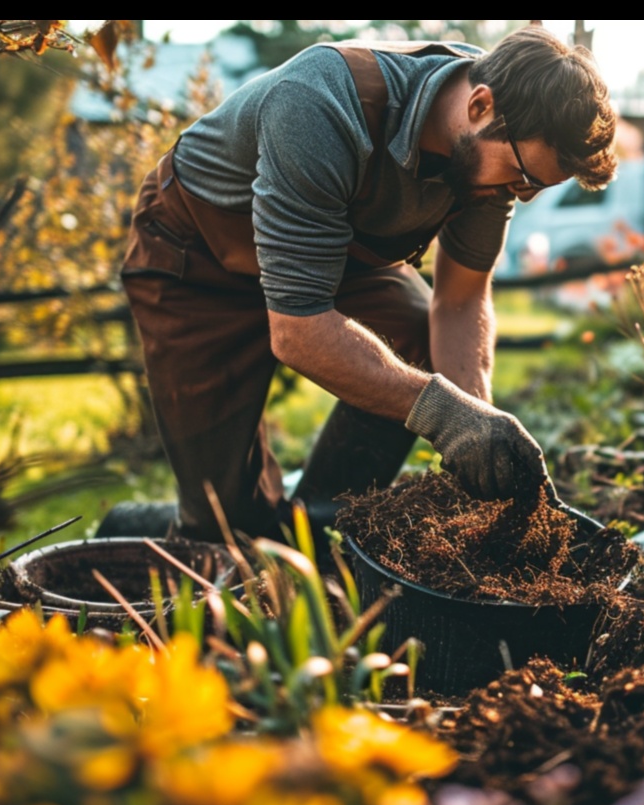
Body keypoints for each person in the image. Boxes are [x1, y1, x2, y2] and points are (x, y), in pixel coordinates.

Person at [120, 27, 617, 542]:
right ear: (479, 104)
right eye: (520, 175)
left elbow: (460, 299)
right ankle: (149, 529)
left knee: (418, 337)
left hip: (330, 256)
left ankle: (318, 529)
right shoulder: (320, 103)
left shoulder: (494, 148)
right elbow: (298, 331)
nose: (522, 195)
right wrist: (443, 413)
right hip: (196, 260)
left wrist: (478, 427)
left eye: (536, 186)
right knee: (223, 522)